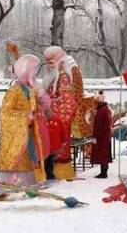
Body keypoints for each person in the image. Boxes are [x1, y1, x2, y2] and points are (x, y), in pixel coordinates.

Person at [0, 54, 51, 186]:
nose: (34, 74)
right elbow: (5, 112)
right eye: (32, 70)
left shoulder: (31, 90)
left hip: (29, 132)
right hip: (18, 133)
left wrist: (37, 112)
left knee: (30, 156)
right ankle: (13, 183)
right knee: (20, 158)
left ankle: (30, 182)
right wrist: (25, 116)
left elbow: (35, 106)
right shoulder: (14, 90)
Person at [42, 46, 79, 180]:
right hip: (50, 119)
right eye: (47, 62)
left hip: (58, 120)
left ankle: (58, 172)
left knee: (57, 148)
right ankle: (48, 171)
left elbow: (66, 100)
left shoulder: (63, 77)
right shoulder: (53, 78)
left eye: (51, 62)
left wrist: (48, 104)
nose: (48, 66)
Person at [91, 91, 112, 179]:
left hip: (102, 136)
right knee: (103, 153)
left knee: (103, 153)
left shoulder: (103, 110)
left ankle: (104, 172)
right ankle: (103, 171)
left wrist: (96, 135)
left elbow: (101, 125)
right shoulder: (103, 109)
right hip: (103, 135)